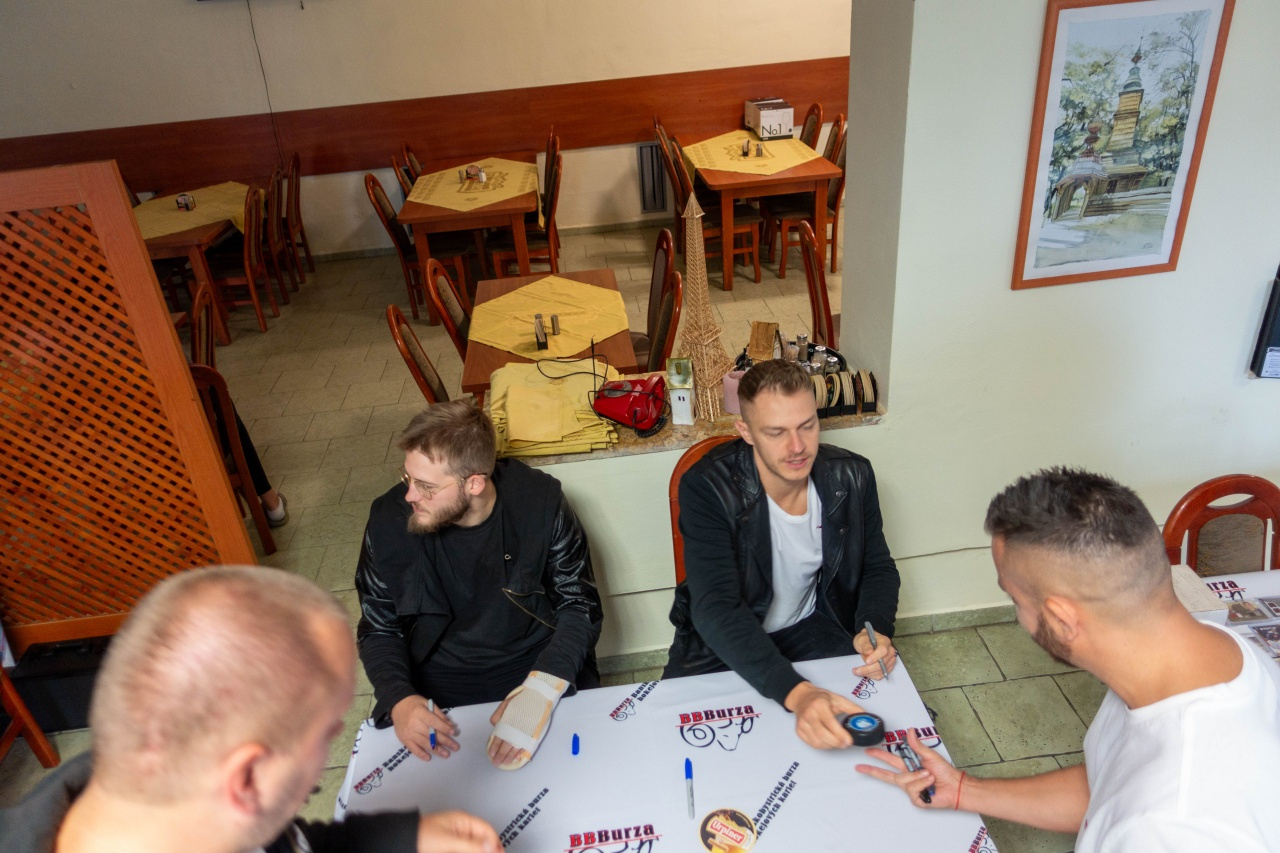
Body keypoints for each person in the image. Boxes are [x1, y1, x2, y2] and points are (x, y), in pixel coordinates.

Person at [857, 468, 1280, 852]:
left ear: (1062, 620)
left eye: (1014, 599)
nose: (1018, 615)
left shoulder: (1172, 824)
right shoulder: (1206, 653)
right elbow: (1107, 786)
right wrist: (965, 790)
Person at [0, 565, 500, 853]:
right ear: (244, 778)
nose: (330, 754)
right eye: (324, 736)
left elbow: (282, 839)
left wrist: (403, 838)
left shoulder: (167, 788)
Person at [662, 359, 901, 750]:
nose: (797, 447)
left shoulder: (853, 476)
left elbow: (877, 567)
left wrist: (873, 629)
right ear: (745, 431)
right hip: (721, 643)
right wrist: (796, 692)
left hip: (811, 628)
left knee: (881, 732)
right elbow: (716, 608)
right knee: (677, 745)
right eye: (776, 432)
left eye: (807, 425)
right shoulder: (706, 486)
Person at [356, 400, 602, 771]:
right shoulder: (388, 519)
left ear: (474, 482)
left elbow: (579, 603)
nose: (410, 496)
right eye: (408, 478)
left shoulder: (539, 501)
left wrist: (542, 688)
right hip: (437, 678)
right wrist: (400, 698)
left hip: (537, 663)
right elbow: (378, 627)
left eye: (426, 486)